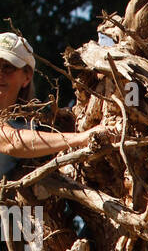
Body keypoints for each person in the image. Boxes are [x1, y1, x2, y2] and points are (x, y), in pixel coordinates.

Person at [0, 33, 97, 176]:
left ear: (27, 77)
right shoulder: (21, 132)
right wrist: (82, 138)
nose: (0, 73)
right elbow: (11, 141)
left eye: (8, 67)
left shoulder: (34, 126)